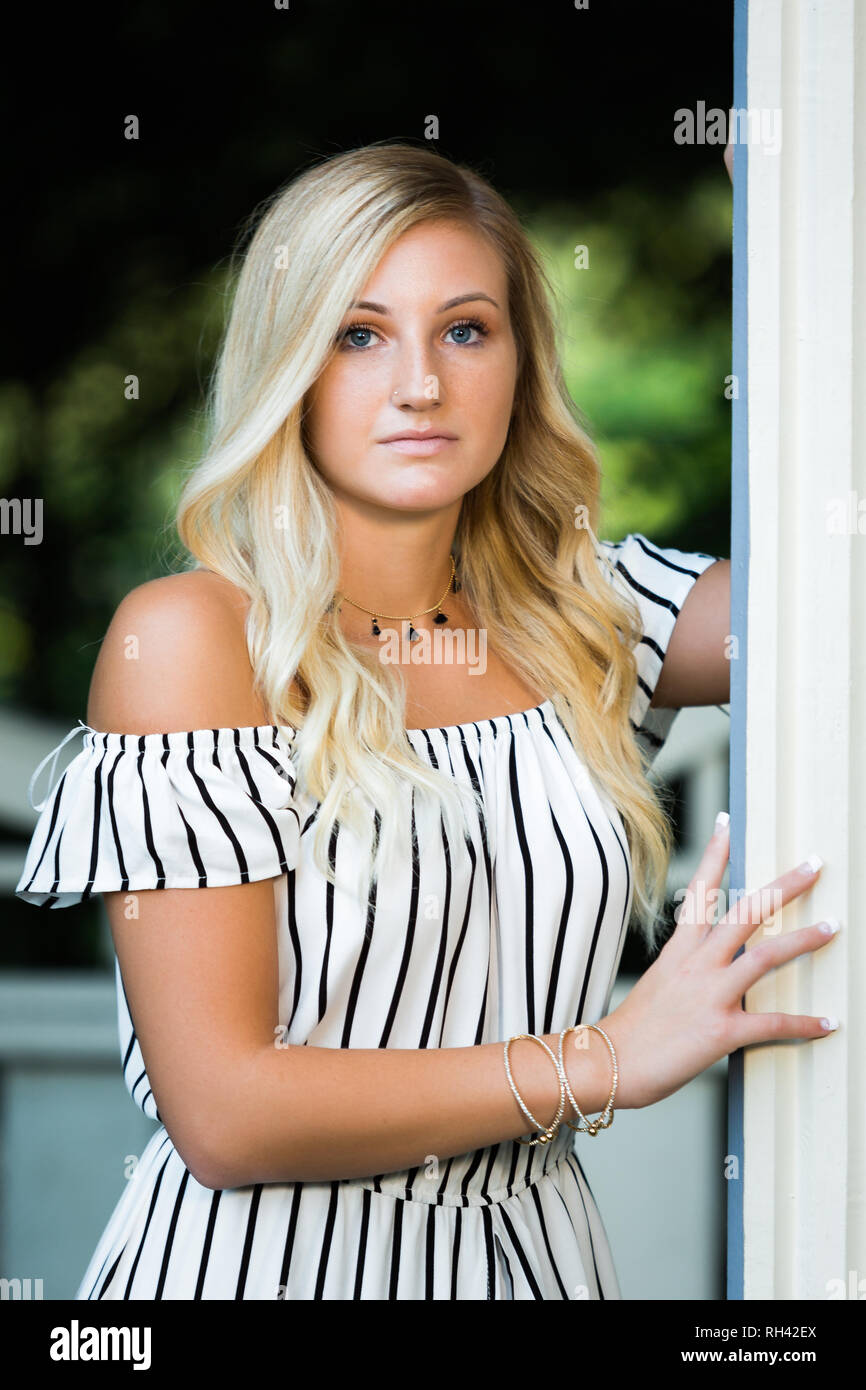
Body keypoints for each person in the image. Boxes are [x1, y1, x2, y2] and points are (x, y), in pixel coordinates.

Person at [15, 142, 838, 1300]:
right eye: (358, 335)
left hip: (540, 1261)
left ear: (518, 363)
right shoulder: (195, 641)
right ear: (287, 364)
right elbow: (227, 1113)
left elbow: (828, 617)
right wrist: (601, 1058)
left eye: (464, 329)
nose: (419, 384)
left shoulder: (583, 620)